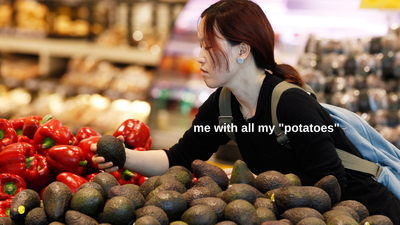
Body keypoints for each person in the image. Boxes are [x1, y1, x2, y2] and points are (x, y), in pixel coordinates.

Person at [92, 0, 400, 222]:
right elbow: (177, 158)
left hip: (365, 211)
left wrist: (254, 186)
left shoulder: (292, 104)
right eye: (200, 45)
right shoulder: (223, 105)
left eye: (208, 46)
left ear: (242, 50)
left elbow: (331, 182)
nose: (199, 57)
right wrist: (123, 157)